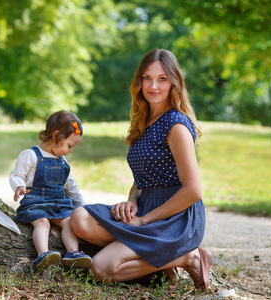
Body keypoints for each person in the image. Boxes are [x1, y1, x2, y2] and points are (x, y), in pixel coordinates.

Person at [70, 49, 211, 290]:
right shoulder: (145, 120)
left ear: (174, 83)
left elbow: (193, 191)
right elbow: (144, 176)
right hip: (146, 208)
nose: (153, 85)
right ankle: (162, 268)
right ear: (139, 81)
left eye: (162, 79)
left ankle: (189, 257)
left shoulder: (176, 124)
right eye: (147, 78)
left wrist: (144, 220)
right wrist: (132, 201)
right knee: (80, 218)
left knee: (101, 269)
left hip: (175, 217)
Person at [9, 110, 93, 270]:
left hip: (58, 203)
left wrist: (81, 206)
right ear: (56, 137)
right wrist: (19, 185)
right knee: (42, 222)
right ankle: (43, 254)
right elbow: (16, 174)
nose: (70, 150)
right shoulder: (31, 155)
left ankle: (73, 253)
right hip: (36, 203)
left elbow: (71, 186)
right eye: (69, 145)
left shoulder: (62, 161)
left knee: (69, 222)